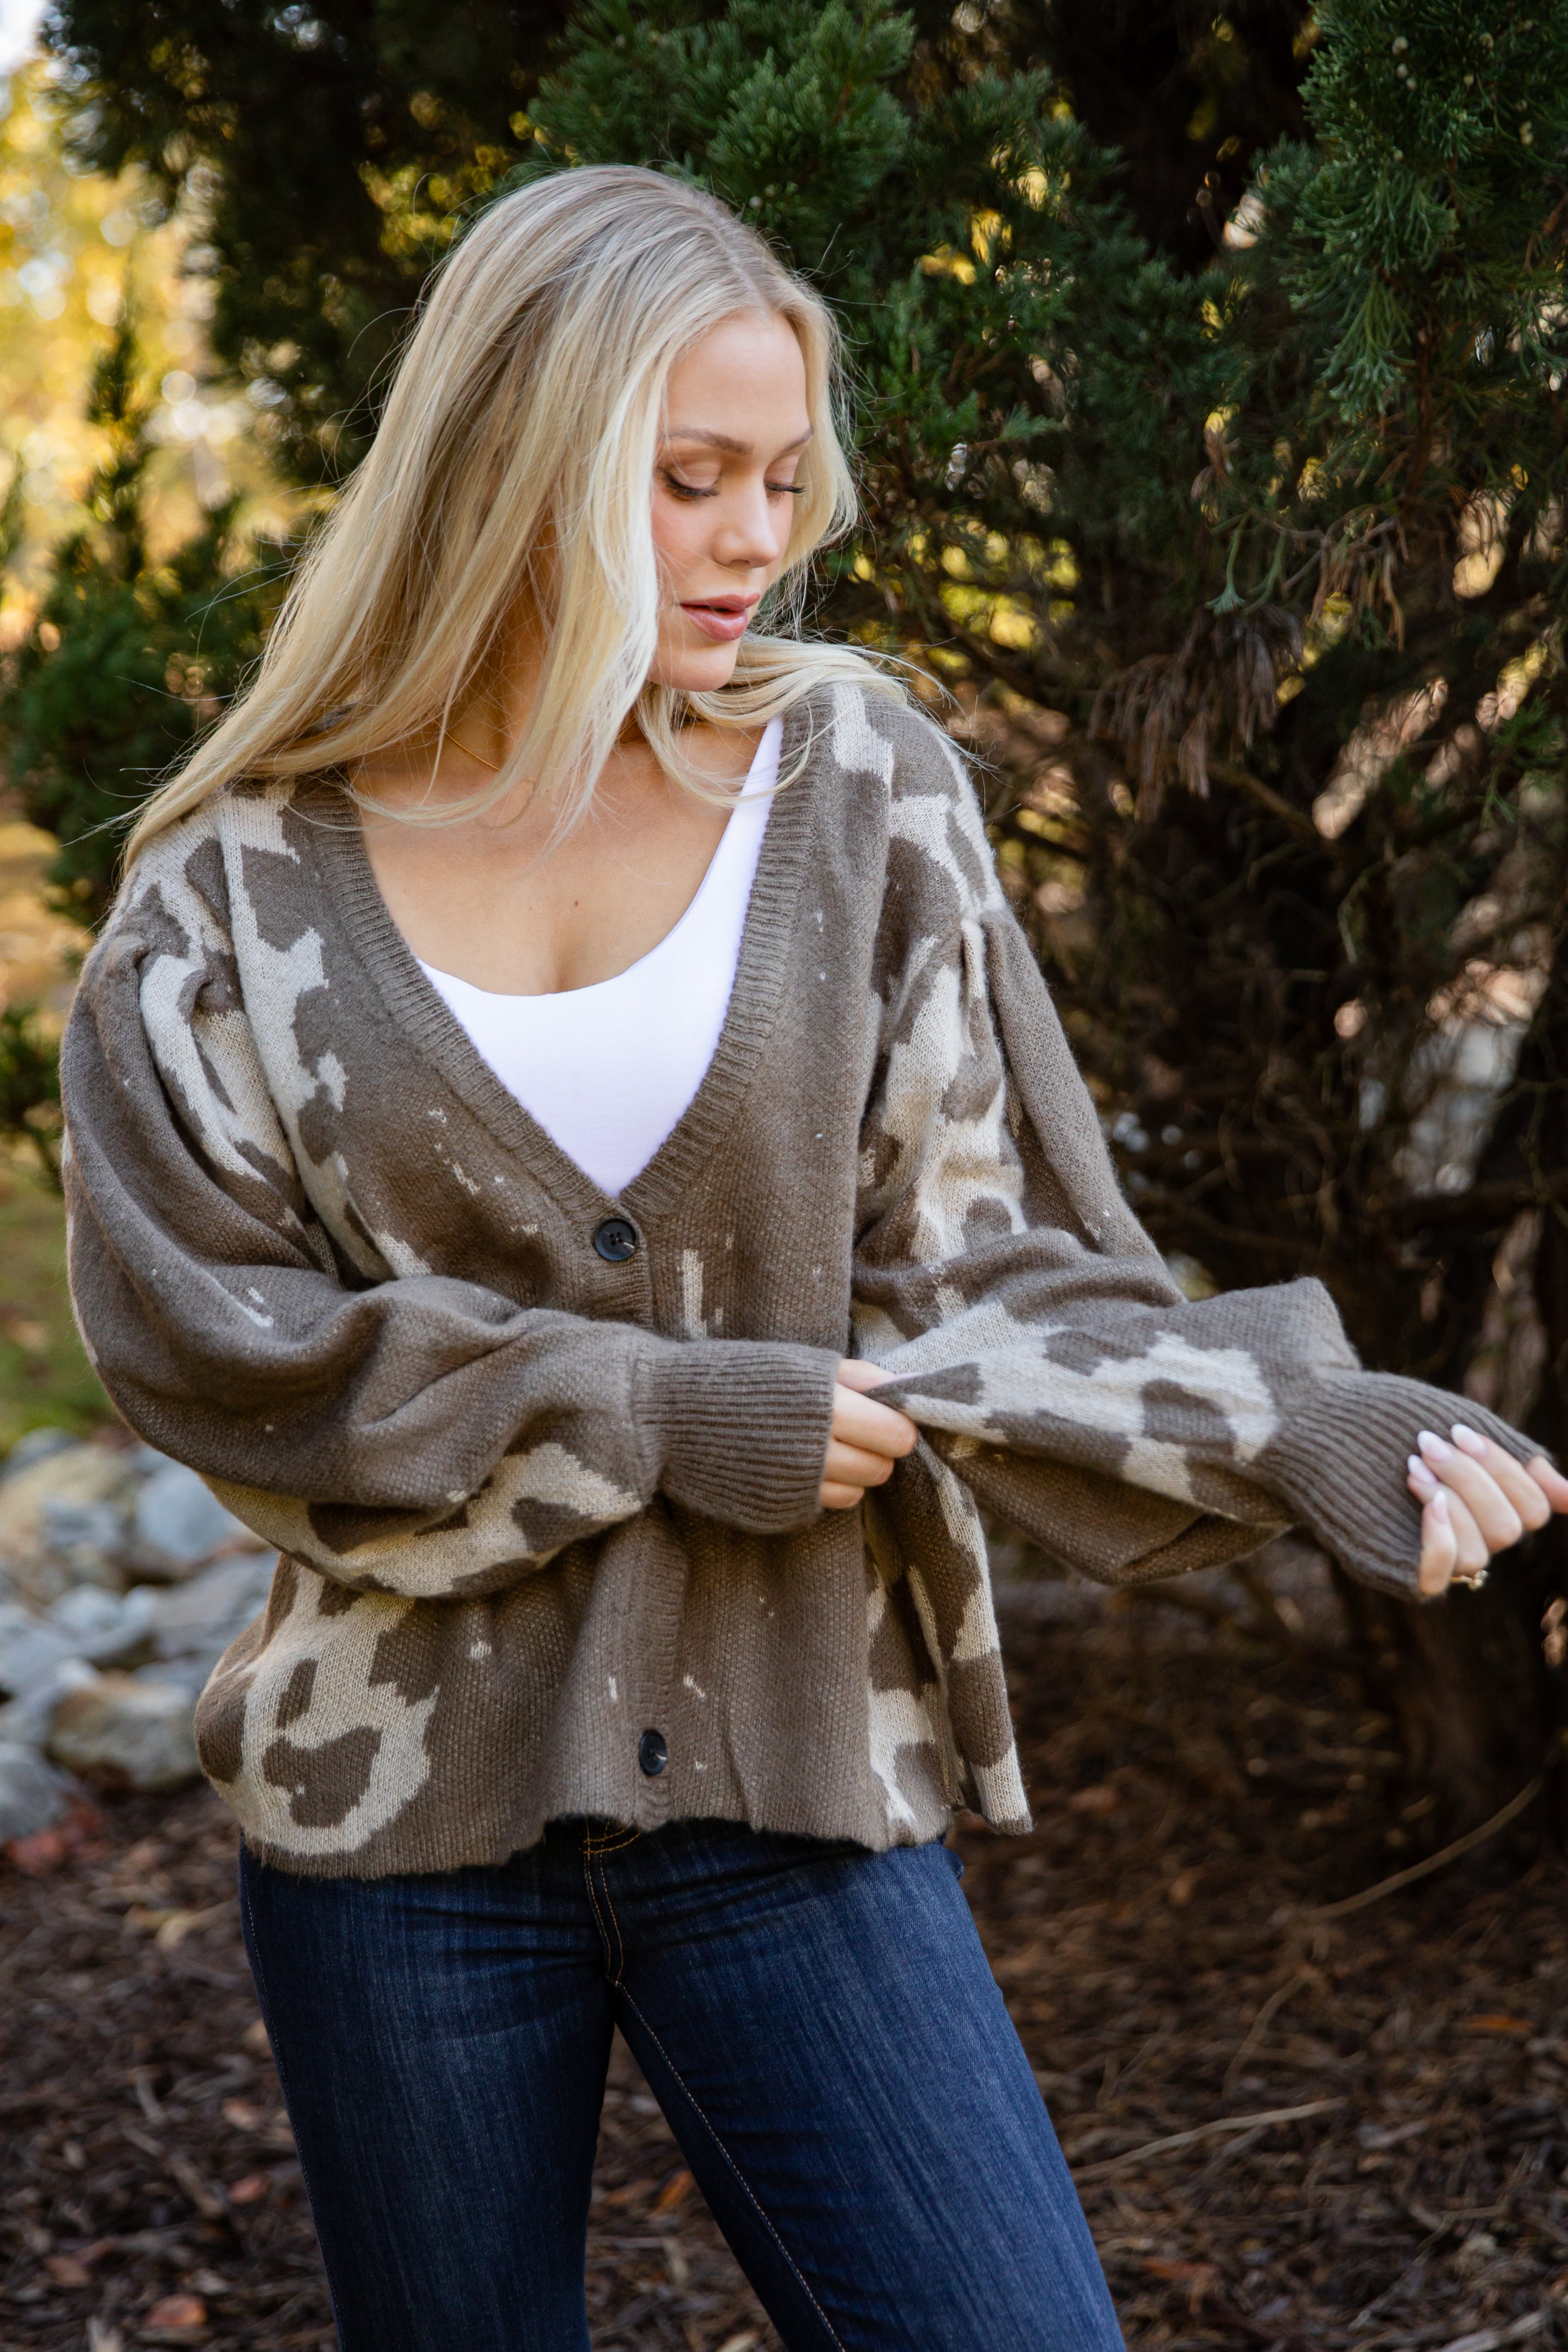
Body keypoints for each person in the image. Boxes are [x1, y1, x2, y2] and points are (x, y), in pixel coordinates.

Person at [60, 165, 1566, 2352]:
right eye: (686, 480)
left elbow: (997, 1267)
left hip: (794, 1790)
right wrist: (666, 1413)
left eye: (781, 478)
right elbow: (219, 1353)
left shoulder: (855, 783)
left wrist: (1296, 1417)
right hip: (389, 1832)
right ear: (514, 464)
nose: (757, 536)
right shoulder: (224, 902)